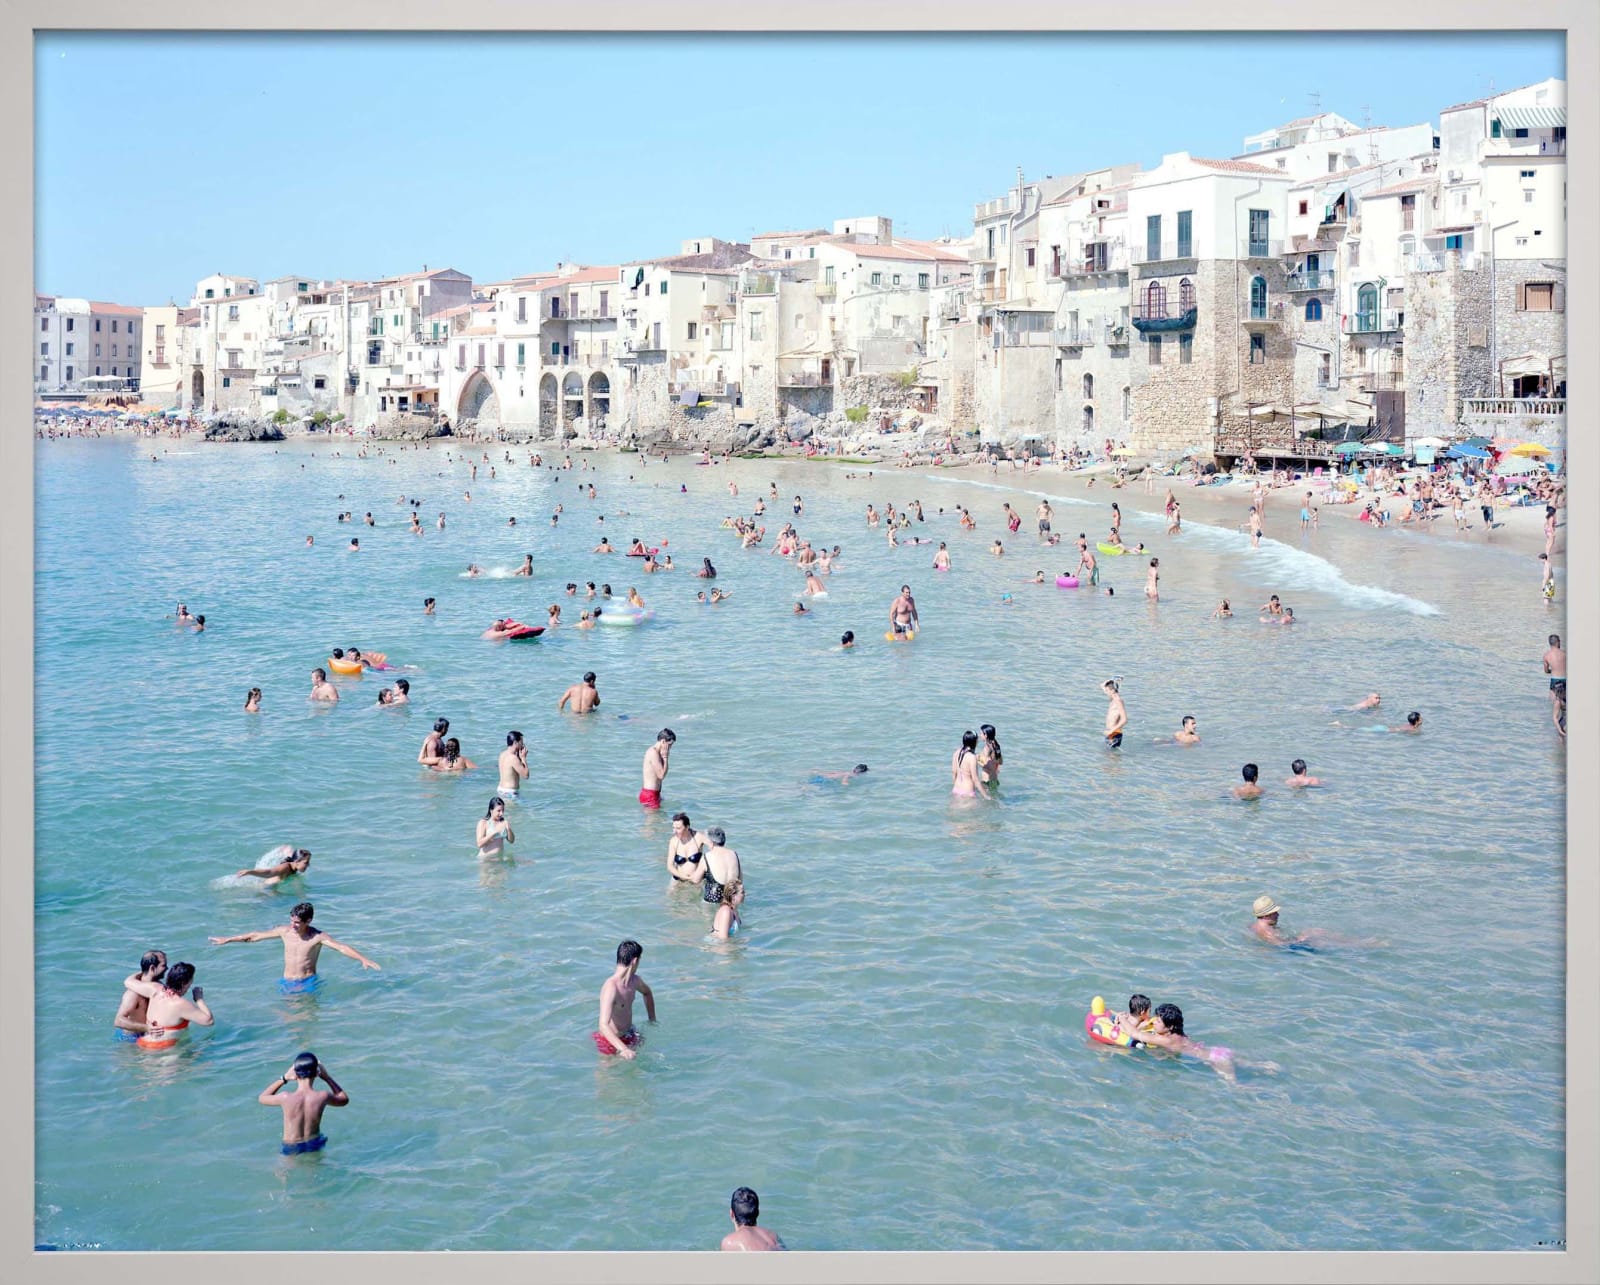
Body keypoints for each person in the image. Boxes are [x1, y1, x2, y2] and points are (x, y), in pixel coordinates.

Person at [209, 901, 380, 990]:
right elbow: (254, 936)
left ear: (308, 921)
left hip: (308, 982)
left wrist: (362, 959)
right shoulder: (285, 931)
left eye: (297, 922)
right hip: (286, 981)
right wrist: (228, 939)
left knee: (306, 1018)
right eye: (291, 921)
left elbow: (341, 947)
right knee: (289, 1020)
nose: (293, 925)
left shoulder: (317, 937)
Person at [259, 1052, 349, 1156]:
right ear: (317, 1073)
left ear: (295, 1074)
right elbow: (344, 1099)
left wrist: (284, 1078)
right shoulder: (323, 1096)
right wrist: (327, 1077)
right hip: (314, 1143)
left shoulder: (285, 1097)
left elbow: (262, 1098)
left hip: (291, 1146)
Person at [119, 960, 213, 1050]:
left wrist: (145, 971)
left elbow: (128, 981)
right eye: (190, 983)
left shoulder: (155, 989)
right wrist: (199, 999)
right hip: (163, 1047)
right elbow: (208, 1021)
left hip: (143, 1042)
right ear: (184, 983)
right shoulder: (180, 1003)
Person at [1138, 1003, 1236, 1081]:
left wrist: (1129, 1021)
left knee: (1236, 1086)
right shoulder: (1179, 1034)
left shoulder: (1167, 1040)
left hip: (1217, 1061)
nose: (1153, 1022)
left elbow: (1135, 1033)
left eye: (1158, 1021)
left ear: (1170, 1027)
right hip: (1218, 1051)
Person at [594, 939, 656, 1059]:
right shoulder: (611, 987)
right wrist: (624, 1049)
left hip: (628, 1034)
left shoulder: (635, 981)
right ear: (635, 961)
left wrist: (652, 1019)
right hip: (610, 1039)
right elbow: (603, 1025)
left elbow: (647, 993)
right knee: (608, 1070)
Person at [113, 949, 167, 1042]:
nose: (167, 968)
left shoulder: (159, 985)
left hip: (149, 1033)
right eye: (163, 965)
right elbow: (118, 1021)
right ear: (152, 968)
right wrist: (147, 1028)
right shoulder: (133, 993)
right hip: (130, 1038)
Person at [235, 846, 313, 886]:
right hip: (266, 888)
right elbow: (269, 872)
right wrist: (250, 872)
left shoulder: (294, 865)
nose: (308, 865)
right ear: (297, 861)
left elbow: (289, 850)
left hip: (273, 887)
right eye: (306, 863)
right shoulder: (285, 867)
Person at [666, 812, 707, 884]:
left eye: (678, 828)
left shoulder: (699, 837)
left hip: (697, 880)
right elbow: (670, 866)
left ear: (687, 827)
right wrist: (685, 877)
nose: (674, 831)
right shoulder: (673, 841)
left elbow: (715, 849)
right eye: (673, 828)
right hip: (678, 879)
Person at [640, 728, 675, 808]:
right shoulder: (653, 753)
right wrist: (665, 757)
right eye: (669, 745)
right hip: (650, 795)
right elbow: (661, 775)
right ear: (663, 741)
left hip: (655, 794)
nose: (670, 748)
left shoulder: (657, 753)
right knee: (655, 817)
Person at [951, 730, 988, 799]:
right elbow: (975, 779)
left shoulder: (956, 753)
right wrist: (985, 796)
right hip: (968, 791)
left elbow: (954, 772)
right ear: (974, 742)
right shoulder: (972, 757)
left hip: (956, 789)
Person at [498, 731, 529, 796]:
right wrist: (523, 758)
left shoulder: (502, 754)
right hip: (510, 792)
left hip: (501, 789)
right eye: (521, 742)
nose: (523, 745)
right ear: (515, 743)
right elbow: (526, 776)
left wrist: (519, 756)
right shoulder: (513, 758)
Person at [1102, 679, 1127, 749]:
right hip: (1110, 734)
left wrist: (1111, 731)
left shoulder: (1118, 701)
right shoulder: (1113, 699)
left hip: (1114, 734)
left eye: (1107, 691)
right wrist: (1110, 681)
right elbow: (1102, 686)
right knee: (1106, 754)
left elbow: (1124, 719)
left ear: (1112, 690)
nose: (1106, 693)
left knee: (1112, 755)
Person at [1544, 635, 1566, 707]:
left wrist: (1553, 670)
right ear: (1558, 642)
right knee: (1564, 702)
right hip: (1565, 679)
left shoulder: (1546, 655)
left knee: (1555, 702)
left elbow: (1546, 671)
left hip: (1555, 680)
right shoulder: (1565, 653)